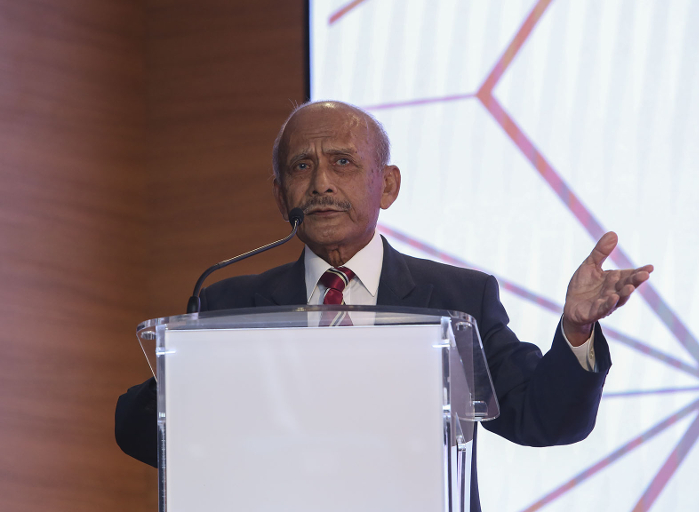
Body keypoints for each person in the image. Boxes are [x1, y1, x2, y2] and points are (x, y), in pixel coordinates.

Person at [115, 101, 653, 511]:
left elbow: (542, 419)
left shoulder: (458, 298)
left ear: (388, 185)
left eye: (342, 162)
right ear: (280, 196)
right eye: (302, 166)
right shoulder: (230, 305)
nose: (321, 183)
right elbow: (145, 432)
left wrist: (576, 331)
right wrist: (188, 374)